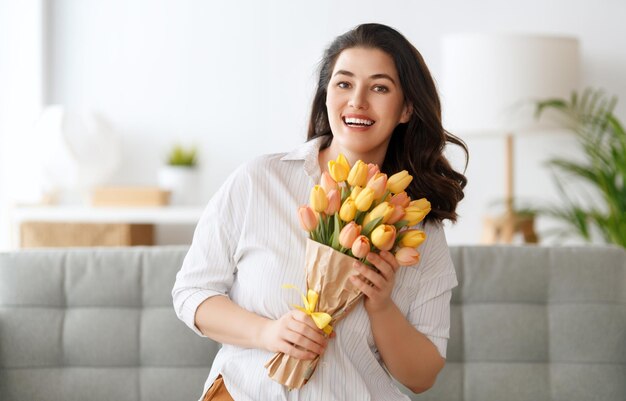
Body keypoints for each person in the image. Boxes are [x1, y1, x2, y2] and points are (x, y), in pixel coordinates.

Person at [172, 23, 468, 401]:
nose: (357, 101)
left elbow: (422, 375)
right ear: (326, 94)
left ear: (407, 108)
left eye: (380, 88)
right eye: (344, 84)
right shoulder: (260, 180)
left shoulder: (415, 225)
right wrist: (267, 333)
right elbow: (192, 292)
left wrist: (381, 306)